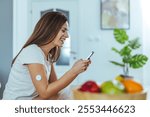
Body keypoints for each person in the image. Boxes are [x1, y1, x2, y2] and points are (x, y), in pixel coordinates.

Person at [2, 12, 91, 100]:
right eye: (63, 30)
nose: (67, 36)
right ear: (50, 29)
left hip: (31, 101)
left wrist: (76, 71)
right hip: (15, 106)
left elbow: (55, 87)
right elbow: (45, 92)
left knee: (65, 94)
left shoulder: (47, 55)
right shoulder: (33, 51)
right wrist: (74, 71)